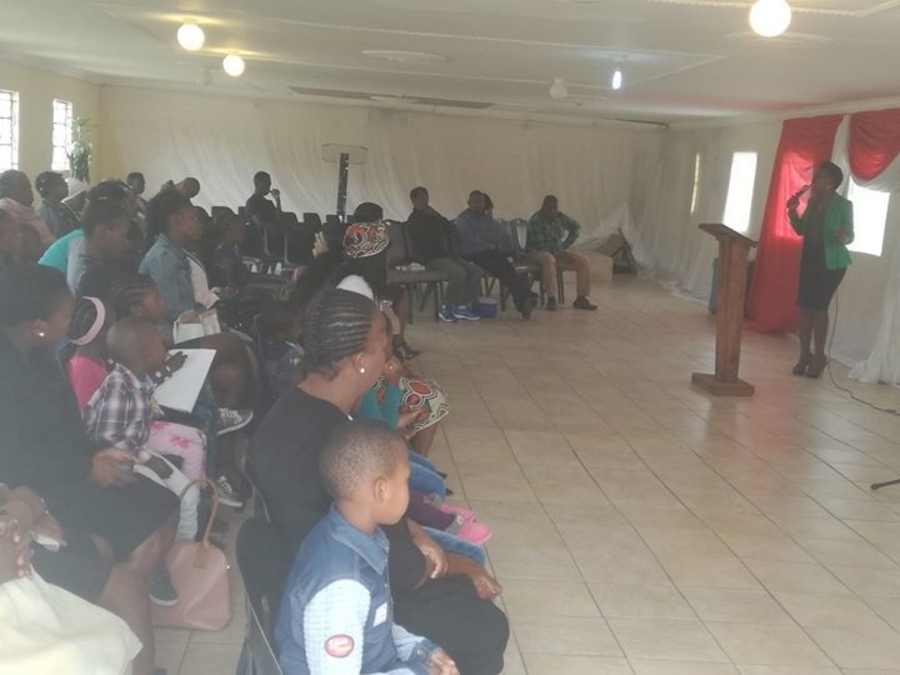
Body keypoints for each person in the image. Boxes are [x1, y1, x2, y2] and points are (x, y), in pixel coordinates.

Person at [250, 287, 509, 675]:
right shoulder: (334, 440)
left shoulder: (293, 407)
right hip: (341, 590)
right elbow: (402, 572)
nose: (387, 361)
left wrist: (415, 530)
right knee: (486, 626)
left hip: (305, 566)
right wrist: (464, 567)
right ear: (359, 360)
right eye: (382, 351)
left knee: (460, 572)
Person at [0, 263, 179, 675]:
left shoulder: (42, 358)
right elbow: (11, 461)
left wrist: (101, 453)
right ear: (38, 325)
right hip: (38, 486)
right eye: (65, 316)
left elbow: (69, 428)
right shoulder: (6, 373)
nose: (71, 325)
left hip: (68, 472)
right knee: (126, 555)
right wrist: (84, 467)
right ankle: (114, 613)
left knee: (162, 503)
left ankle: (118, 621)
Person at [276, 421, 460, 675]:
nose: (408, 490)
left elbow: (375, 622)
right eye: (406, 480)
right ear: (381, 489)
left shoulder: (346, 533)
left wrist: (422, 650)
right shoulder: (343, 588)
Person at [0, 487, 143, 675]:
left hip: (24, 587)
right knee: (74, 654)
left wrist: (15, 519)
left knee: (104, 635)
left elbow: (24, 496)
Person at [83, 318, 201, 542]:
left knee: (190, 494)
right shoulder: (117, 388)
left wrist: (168, 369)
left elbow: (146, 386)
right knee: (166, 502)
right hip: (118, 462)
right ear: (146, 356)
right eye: (159, 345)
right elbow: (107, 441)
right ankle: (169, 544)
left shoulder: (134, 376)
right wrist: (148, 460)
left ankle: (185, 546)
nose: (164, 348)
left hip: (136, 449)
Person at [786, 161, 854, 378]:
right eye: (815, 177)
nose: (814, 181)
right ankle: (804, 355)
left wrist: (844, 235)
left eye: (820, 177)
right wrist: (792, 210)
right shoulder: (813, 202)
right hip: (810, 261)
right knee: (805, 309)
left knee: (819, 308)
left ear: (831, 183)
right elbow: (800, 229)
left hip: (832, 264)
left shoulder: (844, 205)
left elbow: (850, 235)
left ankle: (819, 357)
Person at [407, 186, 485, 324]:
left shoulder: (432, 216)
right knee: (458, 272)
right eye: (421, 198)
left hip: (447, 256)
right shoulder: (414, 220)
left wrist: (436, 216)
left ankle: (463, 306)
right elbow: (425, 240)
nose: (424, 201)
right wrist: (435, 223)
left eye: (426, 198)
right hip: (431, 258)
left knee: (476, 271)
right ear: (413, 200)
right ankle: (447, 307)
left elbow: (449, 228)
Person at [455, 191, 537, 320]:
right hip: (472, 254)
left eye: (480, 202)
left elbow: (497, 235)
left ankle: (523, 300)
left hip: (490, 251)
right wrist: (487, 237)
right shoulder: (463, 220)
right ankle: (525, 298)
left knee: (508, 269)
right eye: (475, 201)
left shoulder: (486, 218)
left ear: (485, 204)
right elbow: (471, 240)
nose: (478, 205)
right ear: (468, 203)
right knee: (501, 270)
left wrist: (486, 225)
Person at [527, 195, 597, 311]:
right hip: (537, 253)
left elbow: (576, 227)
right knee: (548, 258)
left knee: (583, 261)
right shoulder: (536, 220)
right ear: (543, 207)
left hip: (556, 252)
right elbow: (542, 246)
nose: (553, 211)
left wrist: (566, 244)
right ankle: (551, 299)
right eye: (550, 208)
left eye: (555, 208)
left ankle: (581, 298)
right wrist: (559, 252)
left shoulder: (560, 216)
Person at [71, 198, 134, 298]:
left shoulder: (105, 264)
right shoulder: (93, 281)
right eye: (123, 236)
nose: (127, 243)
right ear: (102, 232)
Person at [65, 296, 113, 412]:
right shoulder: (81, 369)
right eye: (114, 324)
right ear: (102, 331)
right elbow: (86, 413)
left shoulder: (98, 358)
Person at [0, 169, 55, 249]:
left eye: (29, 187)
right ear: (10, 191)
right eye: (25, 188)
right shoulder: (5, 215)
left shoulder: (29, 211)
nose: (30, 191)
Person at [34, 171, 81, 238]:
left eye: (65, 183)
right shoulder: (43, 213)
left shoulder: (63, 207)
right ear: (49, 188)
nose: (66, 186)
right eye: (61, 184)